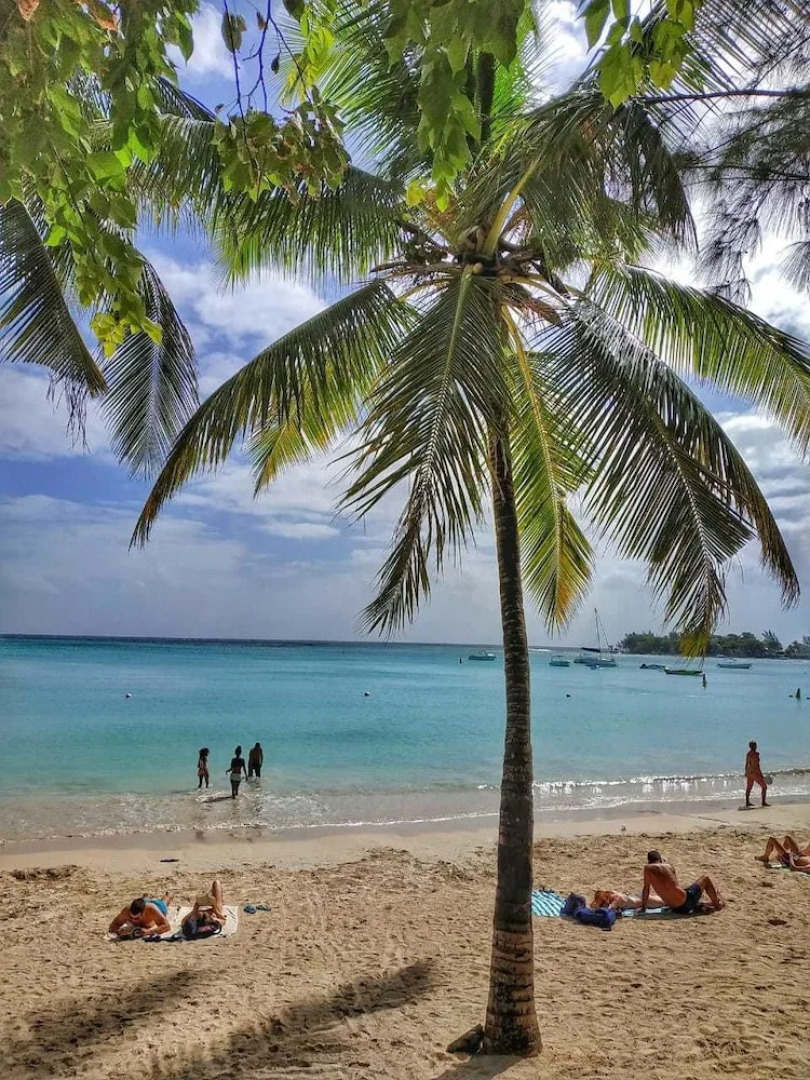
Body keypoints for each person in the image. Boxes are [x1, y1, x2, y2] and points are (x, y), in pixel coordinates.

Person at [640, 850, 724, 915]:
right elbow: (676, 886)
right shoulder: (668, 866)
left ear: (649, 861)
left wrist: (643, 909)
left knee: (685, 895)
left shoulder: (647, 869)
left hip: (675, 908)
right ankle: (717, 906)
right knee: (706, 878)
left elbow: (646, 889)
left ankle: (703, 906)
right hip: (685, 902)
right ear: (660, 859)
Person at [592, 887, 665, 912]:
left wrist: (597, 907)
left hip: (644, 901)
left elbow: (610, 909)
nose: (603, 904)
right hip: (639, 897)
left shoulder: (616, 899)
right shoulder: (611, 893)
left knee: (666, 902)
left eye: (603, 902)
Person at [745, 740, 770, 807]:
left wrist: (746, 772)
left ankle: (747, 802)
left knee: (749, 787)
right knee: (764, 787)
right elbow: (757, 766)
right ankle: (763, 802)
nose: (756, 746)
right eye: (755, 745)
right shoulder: (756, 755)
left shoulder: (748, 754)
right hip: (755, 773)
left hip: (749, 772)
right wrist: (761, 774)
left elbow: (747, 764)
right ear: (754, 746)